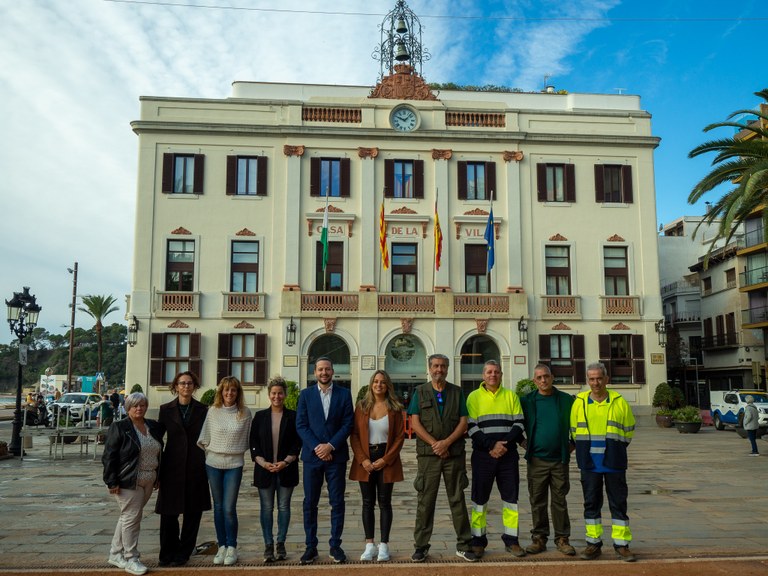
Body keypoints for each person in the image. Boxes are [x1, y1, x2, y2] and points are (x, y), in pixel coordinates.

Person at [408, 353, 477, 563]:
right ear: (429, 368)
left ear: (447, 369)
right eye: (436, 366)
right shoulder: (419, 392)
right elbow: (415, 422)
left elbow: (463, 422)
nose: (440, 370)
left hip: (453, 454)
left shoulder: (457, 392)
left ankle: (464, 545)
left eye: (443, 366)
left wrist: (446, 443)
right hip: (429, 456)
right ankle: (421, 546)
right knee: (425, 501)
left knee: (457, 499)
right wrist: (435, 444)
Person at [571, 362, 636, 562]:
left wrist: (615, 449)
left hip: (614, 463)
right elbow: (573, 431)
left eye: (599, 378)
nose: (596, 382)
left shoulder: (619, 402)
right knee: (591, 504)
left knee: (618, 504)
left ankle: (622, 545)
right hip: (589, 464)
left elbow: (628, 431)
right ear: (587, 380)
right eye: (591, 379)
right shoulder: (579, 402)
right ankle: (593, 543)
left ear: (606, 379)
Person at [295, 357, 354, 564]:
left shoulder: (345, 395)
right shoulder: (306, 395)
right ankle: (310, 546)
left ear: (333, 371)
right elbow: (301, 425)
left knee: (337, 502)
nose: (324, 373)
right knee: (310, 503)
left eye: (327, 369)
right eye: (320, 369)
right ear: (315, 372)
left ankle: (335, 545)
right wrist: (318, 447)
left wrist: (330, 446)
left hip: (336, 457)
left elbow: (348, 424)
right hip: (312, 458)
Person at [466, 360, 526, 558]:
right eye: (489, 372)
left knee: (511, 500)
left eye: (496, 372)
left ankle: (512, 540)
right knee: (479, 500)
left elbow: (519, 424)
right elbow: (472, 427)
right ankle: (478, 541)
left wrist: (503, 445)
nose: (493, 375)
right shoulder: (473, 397)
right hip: (483, 456)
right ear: (483, 375)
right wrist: (491, 445)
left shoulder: (511, 396)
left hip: (508, 457)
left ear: (501, 374)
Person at [102, 392, 164, 576]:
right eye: (135, 405)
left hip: (149, 478)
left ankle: (115, 553)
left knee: (128, 517)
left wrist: (157, 475)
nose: (139, 408)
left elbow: (158, 451)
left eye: (142, 405)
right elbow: (109, 456)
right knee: (132, 518)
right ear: (128, 407)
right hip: (128, 480)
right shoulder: (119, 427)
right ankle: (131, 558)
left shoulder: (152, 426)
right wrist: (111, 481)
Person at [155, 371, 210, 567]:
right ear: (176, 386)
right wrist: (155, 470)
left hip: (196, 465)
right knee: (168, 513)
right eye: (182, 383)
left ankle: (183, 553)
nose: (186, 387)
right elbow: (157, 440)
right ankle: (167, 552)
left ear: (194, 387)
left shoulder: (204, 409)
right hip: (172, 466)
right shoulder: (165, 409)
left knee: (193, 513)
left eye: (189, 383)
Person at [349, 370, 405, 562]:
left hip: (386, 459)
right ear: (371, 384)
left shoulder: (395, 408)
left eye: (382, 382)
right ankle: (369, 545)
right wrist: (363, 459)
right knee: (367, 502)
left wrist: (386, 459)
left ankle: (384, 546)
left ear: (387, 385)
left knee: (385, 502)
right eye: (375, 381)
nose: (379, 385)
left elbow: (399, 437)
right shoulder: (362, 406)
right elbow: (354, 435)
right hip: (365, 458)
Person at [520, 364, 576, 556]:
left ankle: (562, 538)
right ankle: (539, 538)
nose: (543, 380)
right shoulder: (527, 401)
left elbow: (578, 424)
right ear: (534, 381)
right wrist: (522, 442)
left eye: (546, 376)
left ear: (552, 377)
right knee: (537, 500)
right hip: (536, 460)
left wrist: (573, 444)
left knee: (559, 500)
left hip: (559, 459)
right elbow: (515, 423)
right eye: (539, 378)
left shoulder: (566, 400)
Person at [197, 376, 252, 566]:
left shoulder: (245, 413)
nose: (230, 393)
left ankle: (232, 547)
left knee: (229, 508)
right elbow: (204, 438)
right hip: (213, 464)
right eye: (226, 390)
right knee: (218, 507)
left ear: (238, 393)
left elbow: (247, 440)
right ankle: (221, 546)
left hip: (234, 465)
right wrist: (215, 453)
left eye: (233, 390)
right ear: (221, 392)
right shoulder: (213, 411)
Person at [249, 376, 302, 563]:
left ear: (285, 395)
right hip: (264, 470)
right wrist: (263, 463)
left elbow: (297, 442)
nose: (277, 396)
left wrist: (285, 462)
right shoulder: (260, 416)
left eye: (280, 393)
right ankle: (268, 545)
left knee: (283, 507)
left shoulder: (293, 416)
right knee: (266, 508)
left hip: (286, 469)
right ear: (269, 395)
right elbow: (253, 442)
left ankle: (281, 543)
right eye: (273, 393)